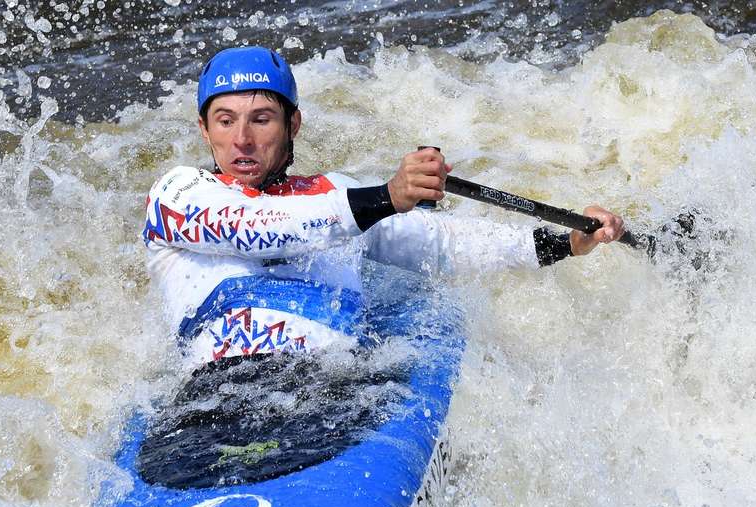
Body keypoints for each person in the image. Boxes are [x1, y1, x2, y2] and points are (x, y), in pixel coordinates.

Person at [143, 46, 624, 368]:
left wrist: (568, 243)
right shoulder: (178, 195)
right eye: (224, 121)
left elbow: (445, 245)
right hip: (218, 396)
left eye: (261, 119)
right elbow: (255, 228)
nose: (242, 139)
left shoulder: (335, 195)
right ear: (204, 130)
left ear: (293, 126)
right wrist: (387, 198)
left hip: (339, 391)